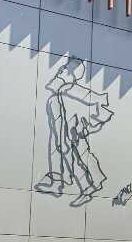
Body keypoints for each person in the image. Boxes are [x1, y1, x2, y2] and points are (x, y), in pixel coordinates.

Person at [34, 56, 113, 206]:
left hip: (74, 132)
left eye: (65, 68)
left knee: (80, 158)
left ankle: (91, 184)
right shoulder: (57, 94)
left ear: (72, 74)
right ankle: (61, 181)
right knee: (74, 157)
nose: (60, 69)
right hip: (66, 134)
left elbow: (96, 99)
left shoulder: (69, 90)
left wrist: (86, 125)